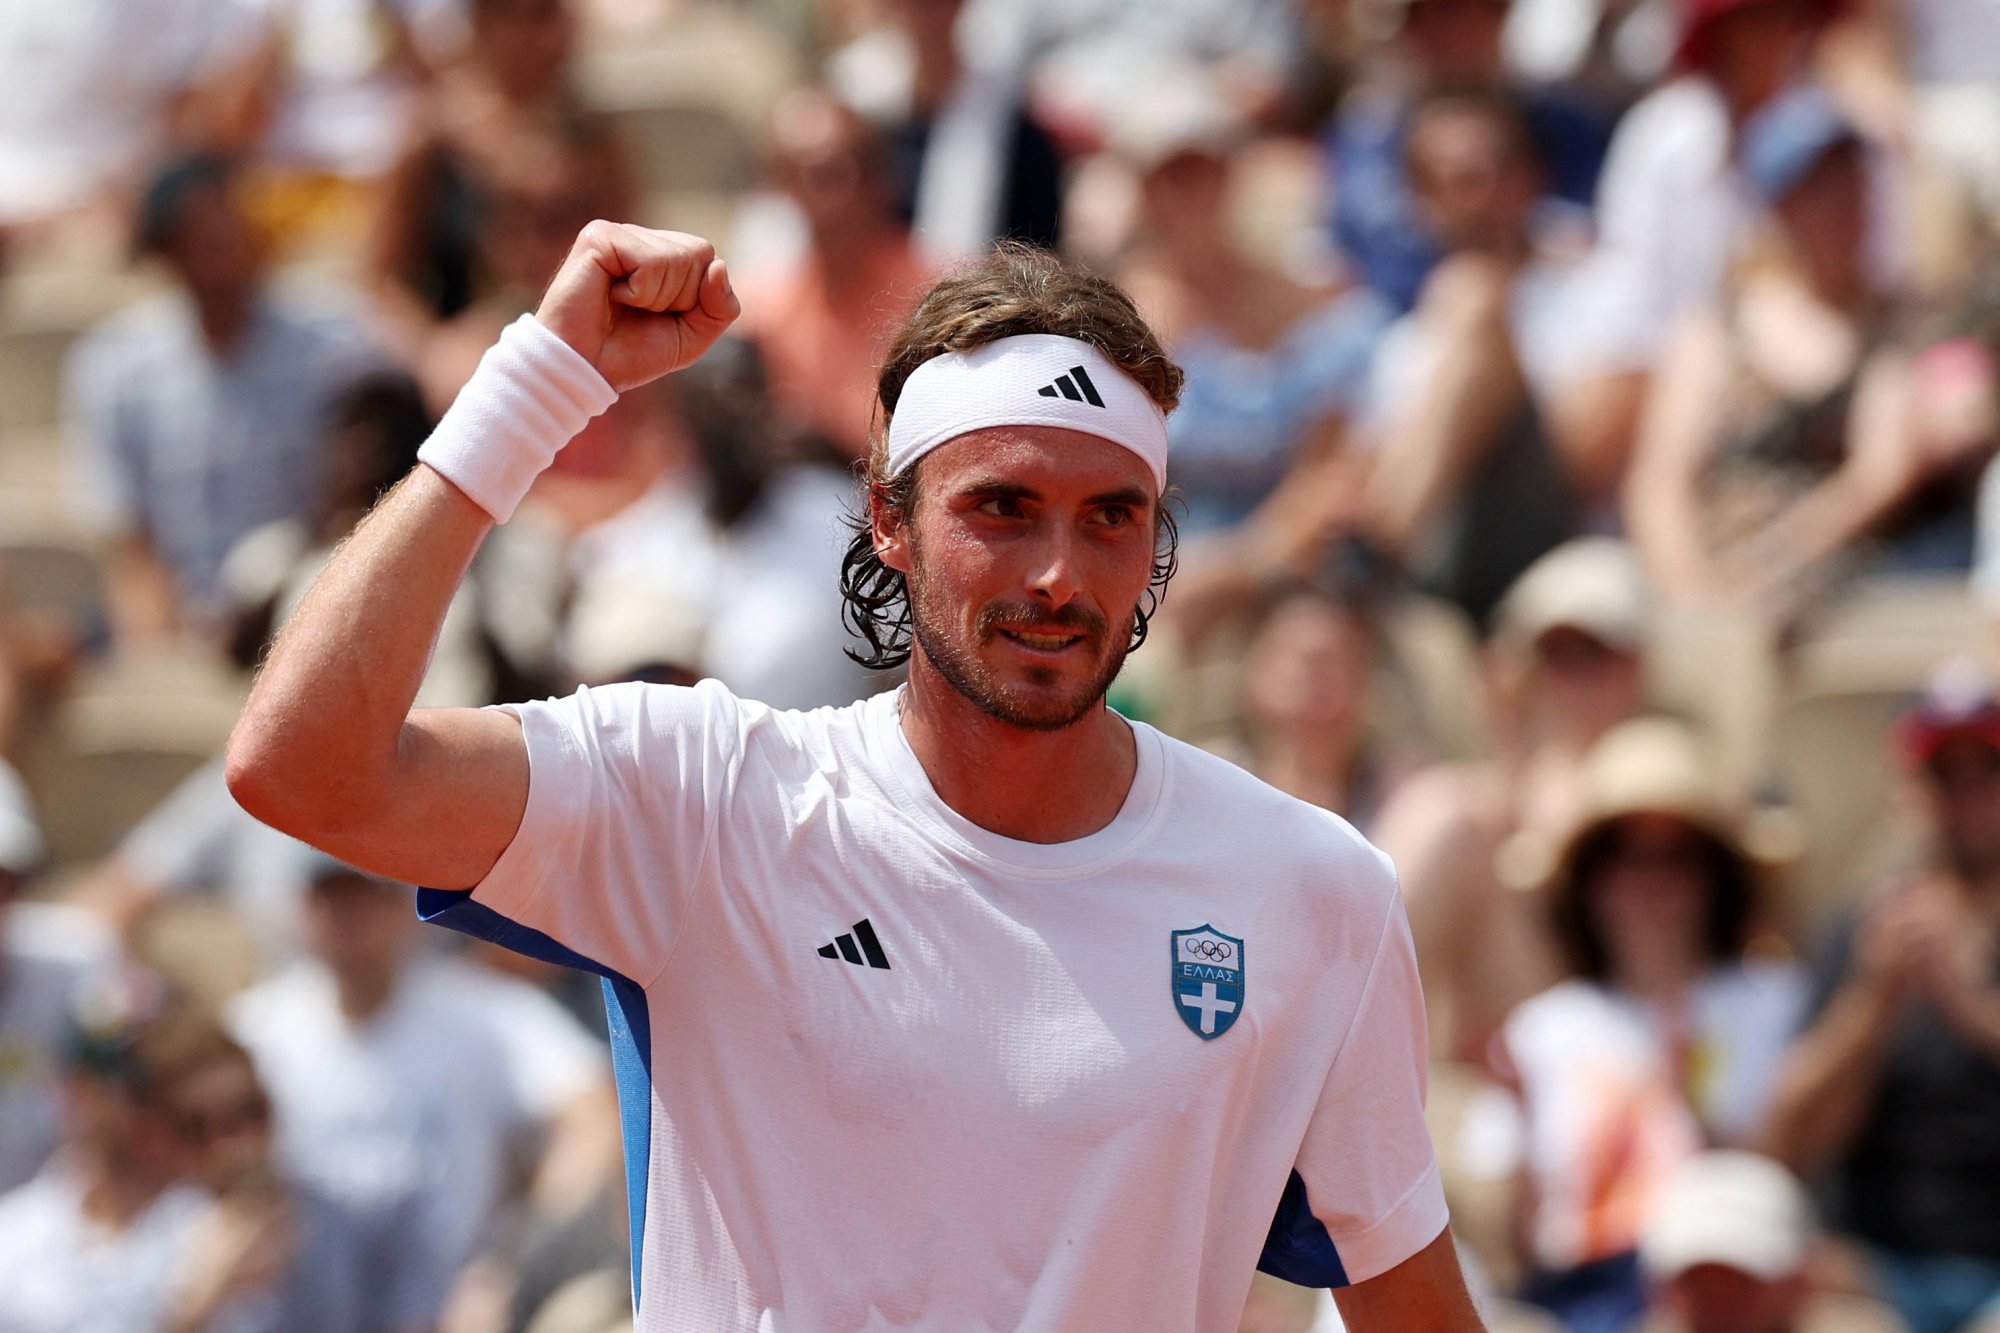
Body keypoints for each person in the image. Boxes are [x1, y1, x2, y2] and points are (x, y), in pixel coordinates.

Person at [225, 222, 1481, 1328]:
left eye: (1111, 515)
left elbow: (1412, 1308)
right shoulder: (704, 796)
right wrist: (533, 388)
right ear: (889, 518)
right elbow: (304, 768)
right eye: (1001, 506)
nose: (1059, 572)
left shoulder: (1312, 887)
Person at [1498, 716, 1806, 1332]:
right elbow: (1520, 1247)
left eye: (1677, 858)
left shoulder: (1775, 1001)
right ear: (1588, 882)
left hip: (1717, 1290)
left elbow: (1790, 1182)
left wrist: (1691, 1103)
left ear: (1717, 877)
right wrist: (1519, 1119)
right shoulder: (1540, 1029)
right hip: (1574, 1298)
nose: (1651, 884)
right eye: (1622, 858)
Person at [1763, 659, 2000, 1333]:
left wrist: (1970, 1008)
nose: (1966, 796)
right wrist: (1872, 1005)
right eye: (1944, 774)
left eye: (1987, 770)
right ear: (1908, 789)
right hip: (1881, 1276)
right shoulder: (1863, 931)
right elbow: (1786, 1144)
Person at [64, 151, 378, 648]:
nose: (217, 255)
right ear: (165, 252)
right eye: (196, 241)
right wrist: (167, 654)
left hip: (307, 609)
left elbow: (356, 506)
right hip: (180, 629)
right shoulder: (114, 368)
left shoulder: (338, 349)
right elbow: (132, 550)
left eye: (227, 235)